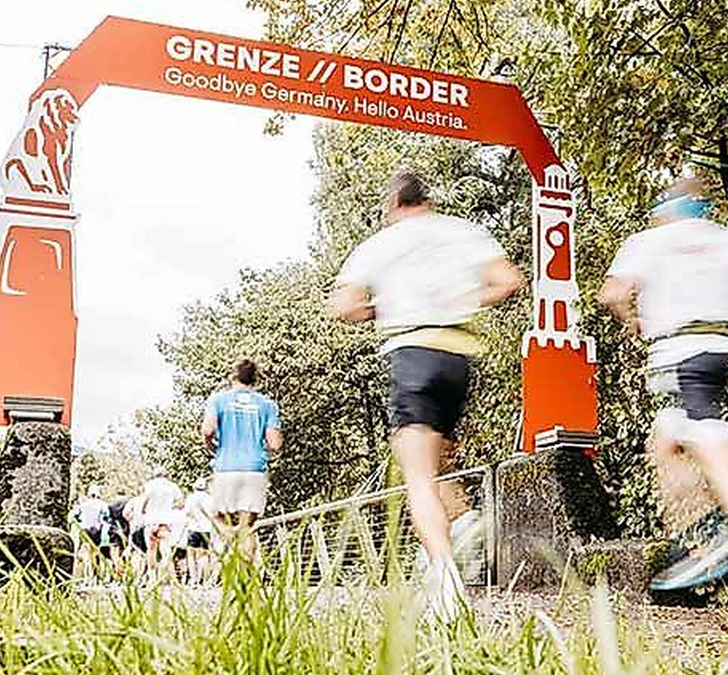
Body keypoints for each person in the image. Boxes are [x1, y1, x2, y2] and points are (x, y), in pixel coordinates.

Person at [598, 175, 728, 625]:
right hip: (717, 355)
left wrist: (632, 318)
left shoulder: (647, 243)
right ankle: (711, 533)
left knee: (715, 457)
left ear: (664, 210)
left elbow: (612, 293)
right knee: (666, 442)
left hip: (681, 358)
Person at [328, 170, 524, 622]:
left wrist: (380, 307)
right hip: (458, 358)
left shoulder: (384, 243)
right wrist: (462, 301)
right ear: (426, 200)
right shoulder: (463, 232)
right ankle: (465, 522)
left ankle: (445, 578)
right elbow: (508, 281)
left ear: (394, 204)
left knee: (417, 475)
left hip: (412, 353)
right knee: (438, 465)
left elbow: (343, 306)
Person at [201, 358, 283, 563]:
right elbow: (275, 444)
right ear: (255, 379)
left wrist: (210, 445)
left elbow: (208, 430)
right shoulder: (267, 404)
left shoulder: (218, 400)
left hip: (226, 467)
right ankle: (247, 570)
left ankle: (231, 555)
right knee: (247, 527)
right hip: (255, 469)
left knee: (218, 516)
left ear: (233, 376)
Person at [139, 467, 185, 578]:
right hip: (165, 522)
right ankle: (166, 576)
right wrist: (170, 507)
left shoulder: (149, 485)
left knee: (151, 550)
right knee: (166, 551)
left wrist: (143, 511)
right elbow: (181, 503)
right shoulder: (172, 486)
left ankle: (152, 577)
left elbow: (144, 501)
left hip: (151, 521)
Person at [69, 484, 110, 579]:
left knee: (83, 551)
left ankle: (83, 574)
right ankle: (96, 574)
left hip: (84, 530)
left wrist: (79, 522)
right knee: (96, 551)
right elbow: (107, 516)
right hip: (97, 530)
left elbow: (73, 516)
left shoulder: (83, 505)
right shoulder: (103, 505)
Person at [183, 476, 216, 584]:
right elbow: (213, 514)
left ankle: (194, 579)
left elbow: (186, 512)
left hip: (193, 528)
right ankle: (204, 579)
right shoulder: (209, 498)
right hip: (206, 529)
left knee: (191, 554)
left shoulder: (191, 498)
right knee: (204, 554)